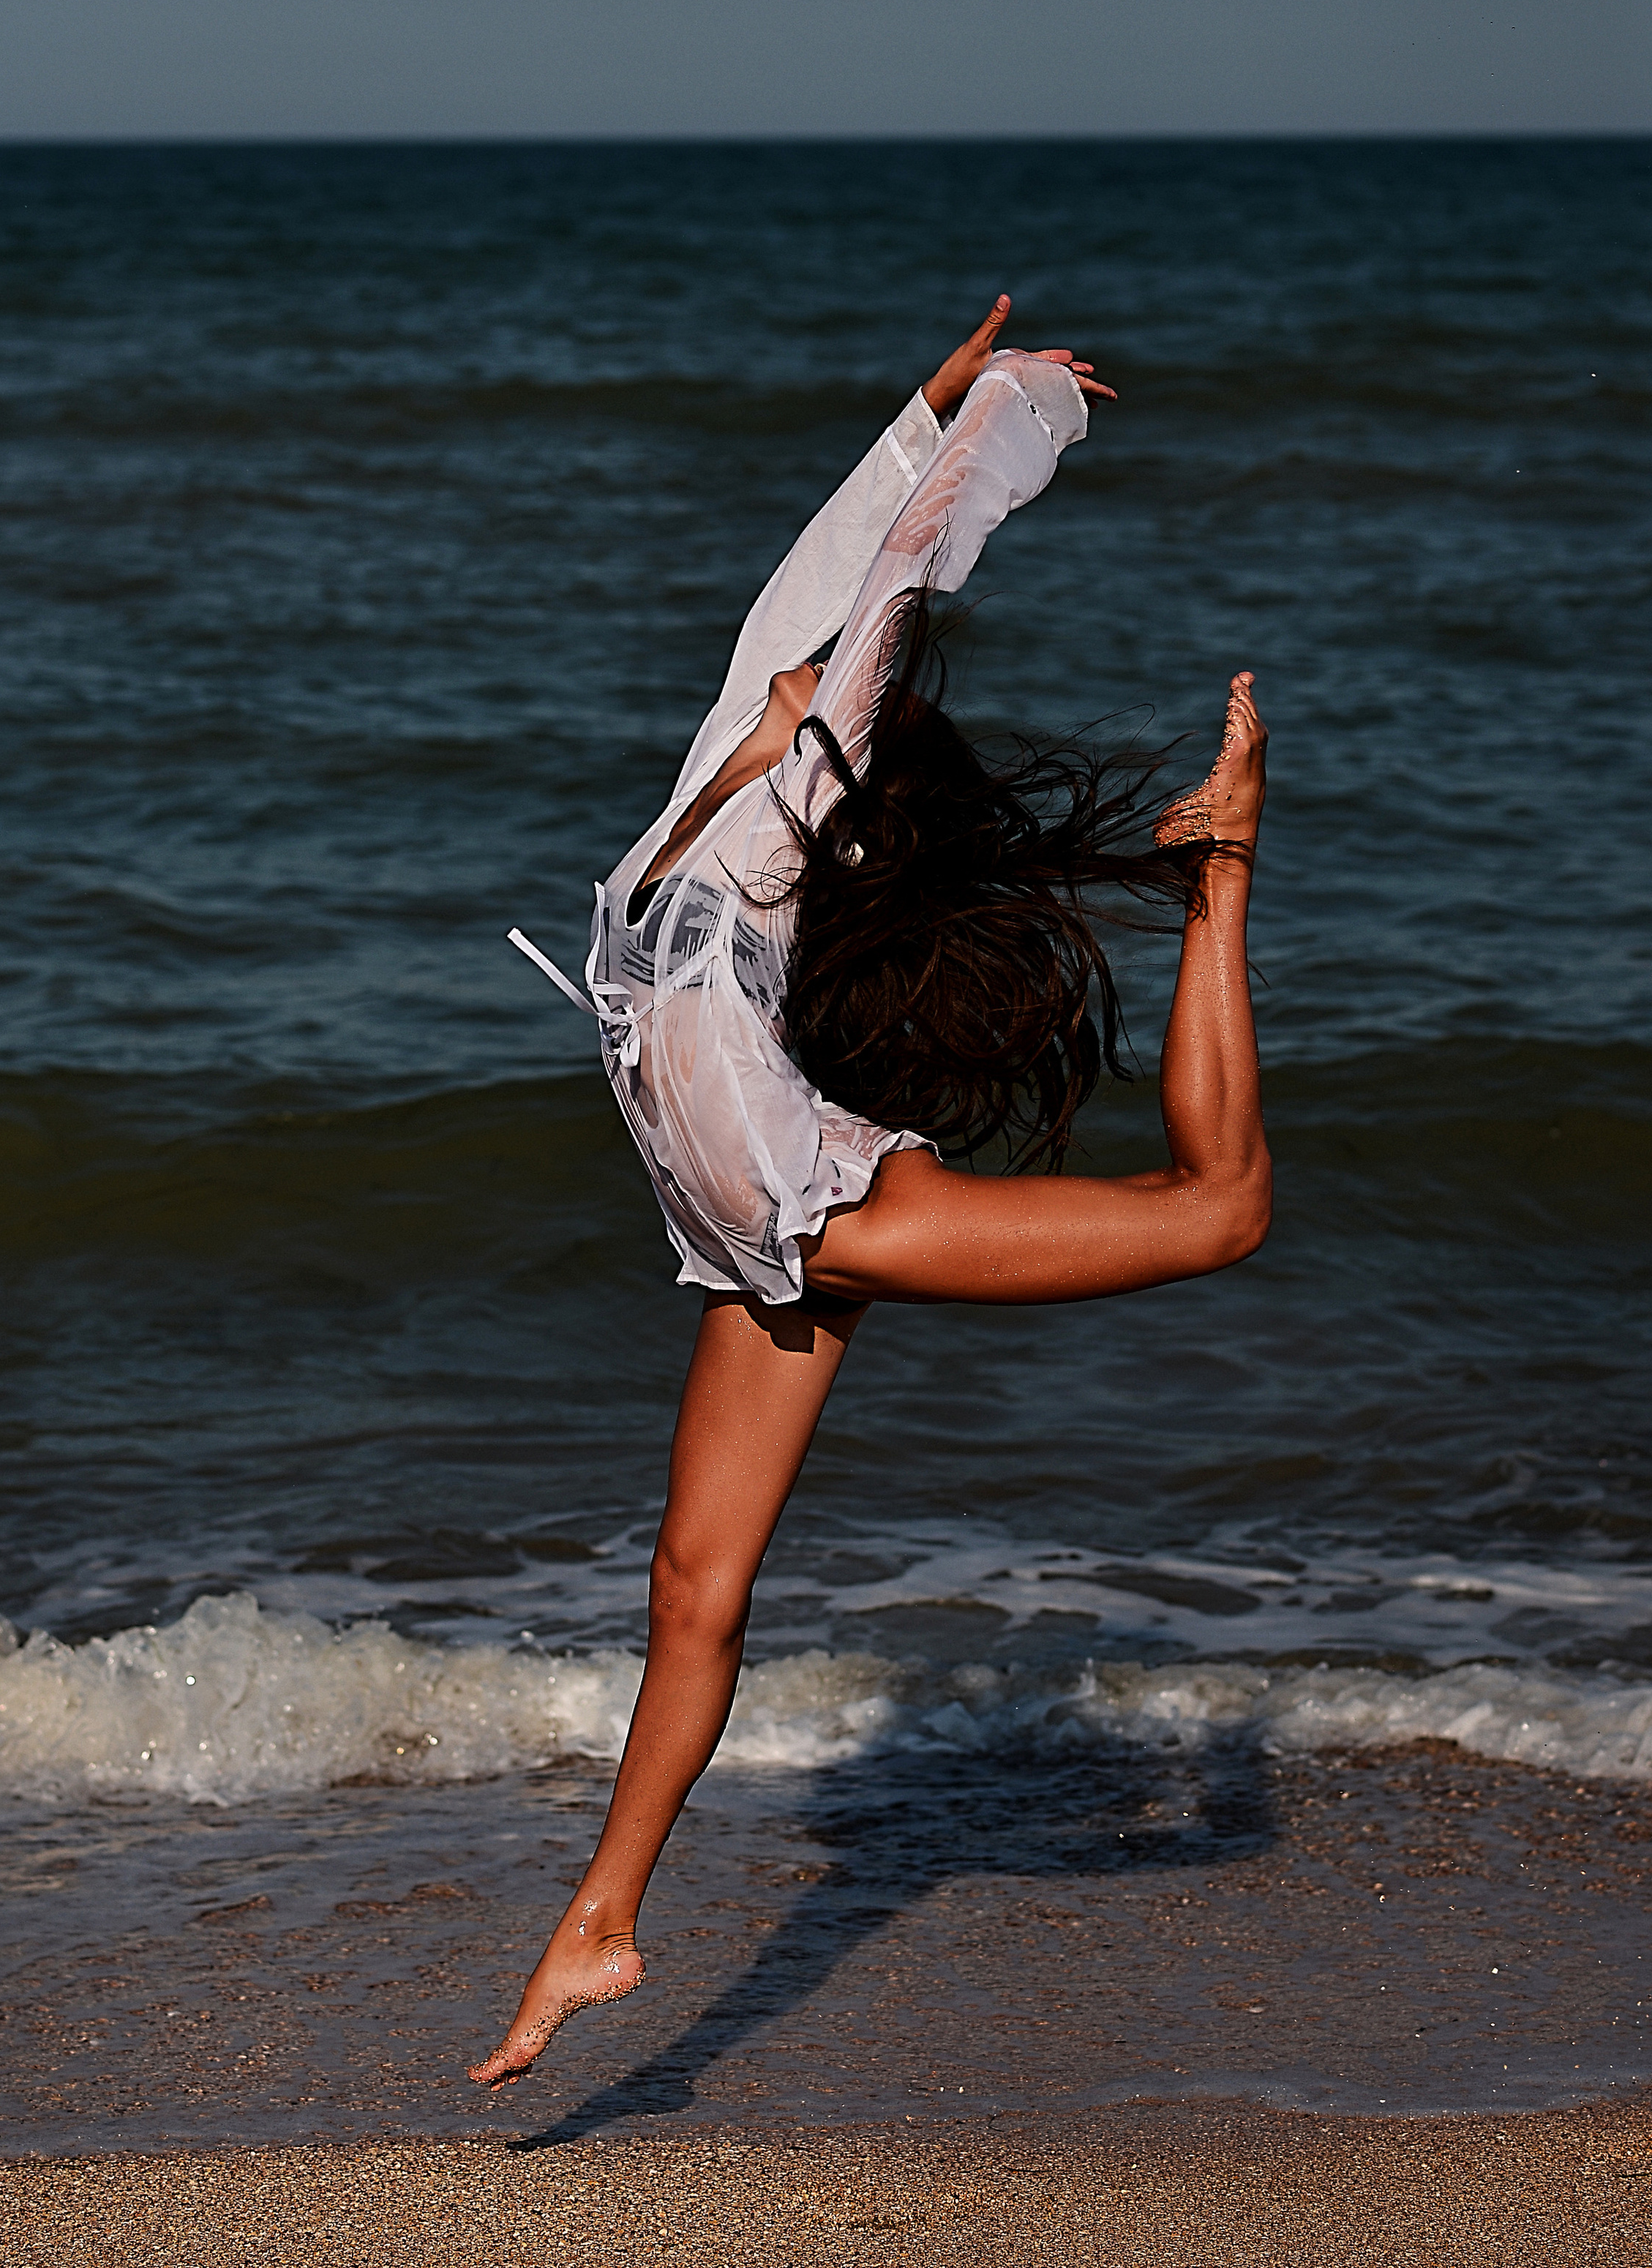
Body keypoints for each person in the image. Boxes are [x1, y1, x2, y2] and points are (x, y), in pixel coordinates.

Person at [473, 296, 1270, 2087]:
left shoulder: (779, 814)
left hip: (815, 1208)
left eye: (830, 693)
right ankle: (599, 1929)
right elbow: (818, 571)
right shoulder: (715, 790)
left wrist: (1012, 415)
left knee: (1217, 1208)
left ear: (845, 787)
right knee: (693, 1587)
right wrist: (925, 404)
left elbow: (897, 578)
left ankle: (1219, 866)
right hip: (744, 1237)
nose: (804, 668)